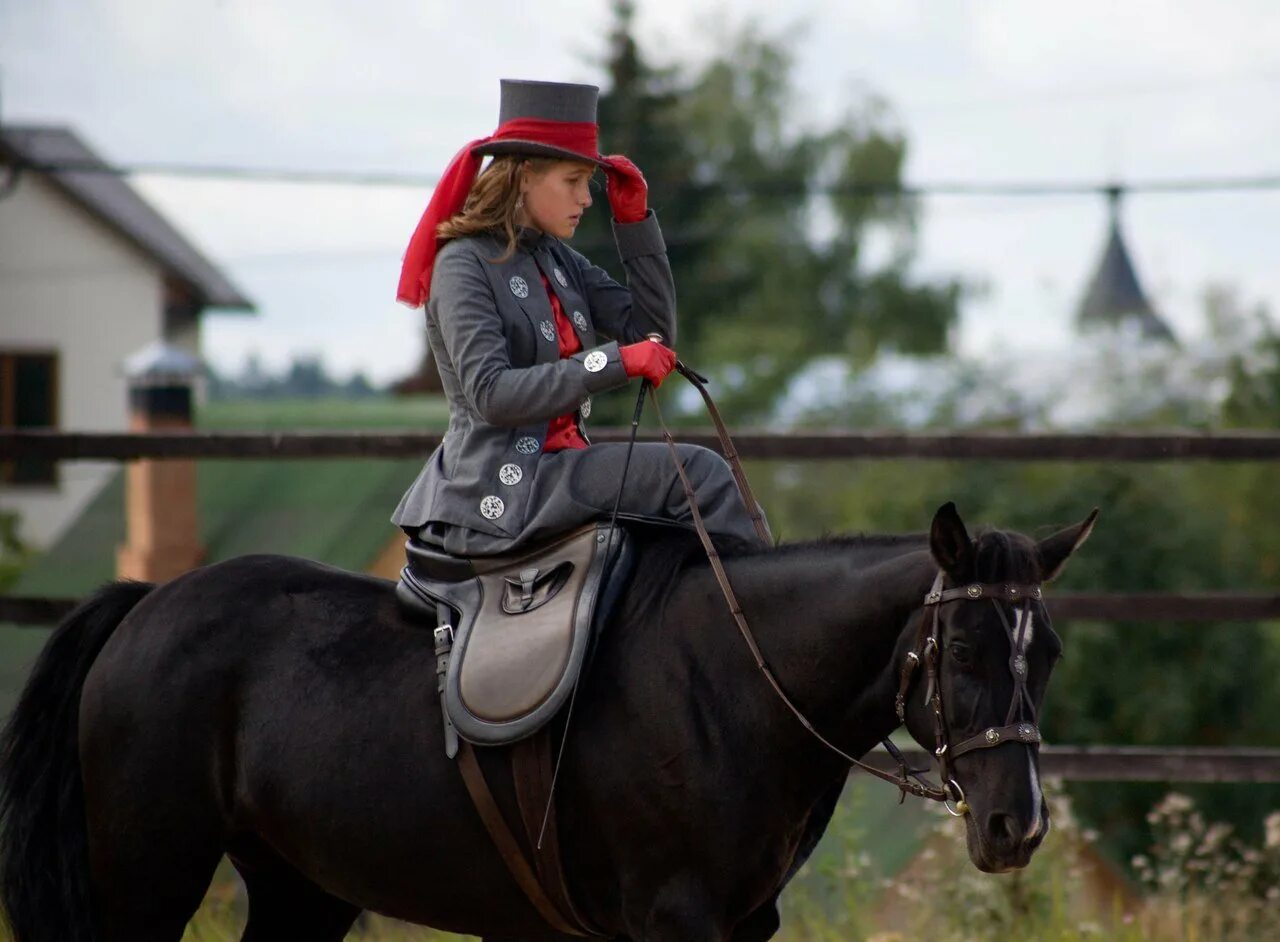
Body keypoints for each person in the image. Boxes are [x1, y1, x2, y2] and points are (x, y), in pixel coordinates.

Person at [391, 78, 769, 557]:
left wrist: (635, 224)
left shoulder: (558, 260)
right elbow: (491, 395)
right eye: (572, 182)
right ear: (524, 174)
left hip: (560, 470)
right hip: (500, 486)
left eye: (586, 184)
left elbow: (653, 335)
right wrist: (614, 362)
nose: (586, 199)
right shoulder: (462, 264)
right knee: (699, 476)